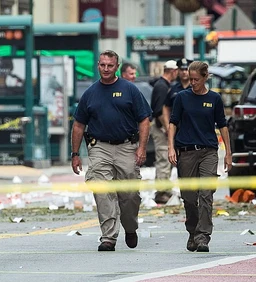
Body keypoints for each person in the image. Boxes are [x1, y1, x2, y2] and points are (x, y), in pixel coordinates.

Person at [71, 50, 151, 252]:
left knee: (130, 195)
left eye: (110, 66)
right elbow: (78, 125)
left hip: (126, 147)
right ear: (98, 65)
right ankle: (108, 237)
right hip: (100, 148)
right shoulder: (90, 93)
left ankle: (130, 227)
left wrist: (141, 148)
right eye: (102, 65)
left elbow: (144, 120)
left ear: (117, 67)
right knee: (102, 191)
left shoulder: (130, 90)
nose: (106, 69)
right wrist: (75, 154)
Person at [167, 61, 232, 253]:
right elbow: (173, 123)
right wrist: (171, 148)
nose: (193, 82)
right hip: (186, 152)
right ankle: (192, 231)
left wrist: (228, 153)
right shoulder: (181, 97)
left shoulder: (214, 99)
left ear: (205, 77)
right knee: (189, 197)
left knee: (206, 194)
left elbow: (223, 126)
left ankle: (203, 236)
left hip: (208, 151)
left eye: (196, 79)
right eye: (191, 78)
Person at [150, 60, 179, 204]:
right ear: (172, 71)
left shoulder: (162, 85)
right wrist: (168, 129)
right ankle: (162, 192)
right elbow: (160, 111)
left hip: (161, 127)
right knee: (163, 158)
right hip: (160, 128)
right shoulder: (162, 86)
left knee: (165, 159)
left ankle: (164, 189)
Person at [162, 58, 192, 132]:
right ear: (178, 71)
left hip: (193, 129)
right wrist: (167, 126)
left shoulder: (196, 88)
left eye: (186, 69)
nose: (184, 72)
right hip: (177, 129)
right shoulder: (173, 89)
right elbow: (166, 107)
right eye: (182, 70)